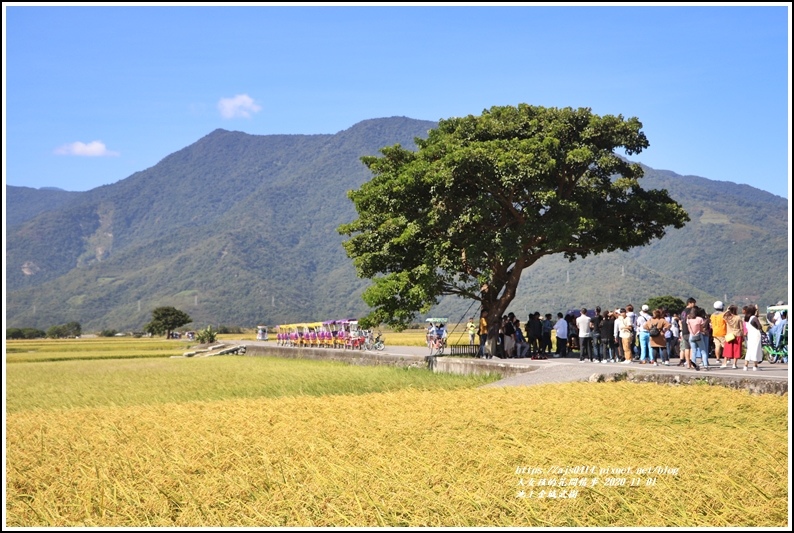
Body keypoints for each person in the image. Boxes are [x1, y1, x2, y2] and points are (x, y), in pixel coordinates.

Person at [721, 304, 743, 369]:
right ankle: (734, 364)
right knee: (737, 350)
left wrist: (727, 310)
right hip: (737, 334)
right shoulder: (738, 317)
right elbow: (741, 327)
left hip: (729, 335)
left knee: (727, 349)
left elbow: (723, 315)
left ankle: (724, 363)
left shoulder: (728, 317)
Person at [743, 305, 763, 371]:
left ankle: (745, 366)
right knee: (756, 350)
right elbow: (759, 326)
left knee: (749, 350)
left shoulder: (746, 318)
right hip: (756, 335)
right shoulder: (754, 318)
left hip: (750, 335)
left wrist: (757, 310)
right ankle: (755, 366)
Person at [710, 301, 727, 365]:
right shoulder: (723, 315)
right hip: (722, 332)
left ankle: (717, 359)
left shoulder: (712, 315)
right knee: (725, 346)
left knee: (717, 346)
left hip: (715, 332)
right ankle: (726, 358)